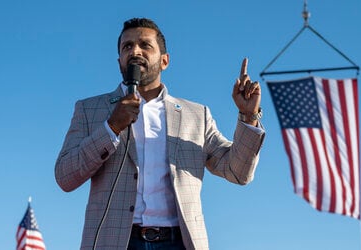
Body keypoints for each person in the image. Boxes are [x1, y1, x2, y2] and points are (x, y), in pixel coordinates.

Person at [55, 17, 265, 250]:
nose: (135, 51)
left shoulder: (196, 115)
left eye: (145, 45)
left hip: (179, 242)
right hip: (116, 242)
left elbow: (238, 172)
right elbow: (65, 177)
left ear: (165, 61)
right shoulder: (90, 110)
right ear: (119, 62)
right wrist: (111, 127)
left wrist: (248, 117)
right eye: (127, 46)